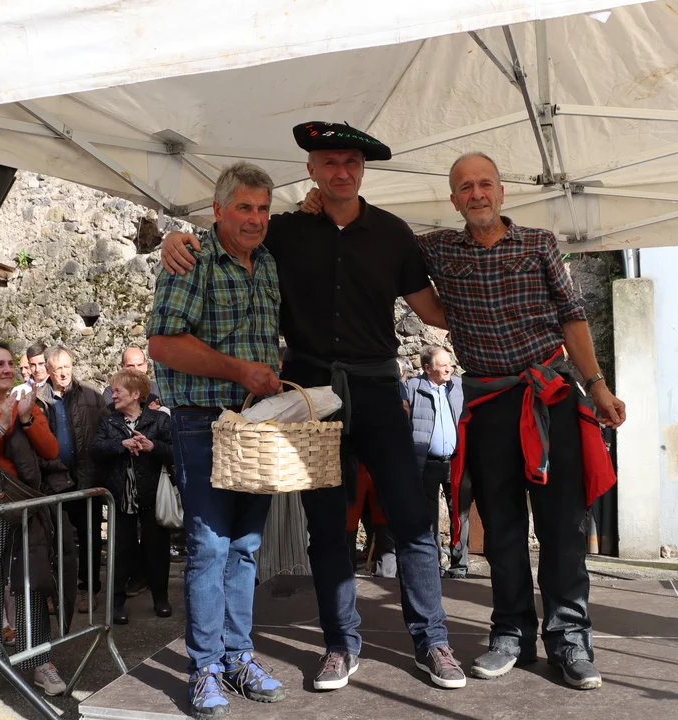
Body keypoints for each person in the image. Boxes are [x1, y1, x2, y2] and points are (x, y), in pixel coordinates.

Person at [160, 123, 466, 692]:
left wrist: (495, 305)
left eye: (350, 161)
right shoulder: (283, 231)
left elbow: (433, 311)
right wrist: (176, 238)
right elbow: (227, 232)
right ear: (311, 170)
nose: (340, 171)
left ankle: (433, 641)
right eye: (329, 162)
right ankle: (339, 644)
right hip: (309, 399)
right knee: (326, 527)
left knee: (412, 519)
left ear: (363, 169)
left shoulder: (393, 233)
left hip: (377, 390)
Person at [395, 152, 622, 689]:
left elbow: (572, 316)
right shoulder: (438, 248)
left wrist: (597, 386)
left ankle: (569, 639)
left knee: (562, 526)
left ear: (501, 192)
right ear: (454, 200)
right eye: (465, 187)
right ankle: (511, 635)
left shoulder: (538, 243)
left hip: (550, 397)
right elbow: (391, 256)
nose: (476, 193)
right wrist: (317, 204)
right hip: (489, 401)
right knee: (499, 528)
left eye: (485, 184)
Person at [149, 161, 286, 719]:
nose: (255, 219)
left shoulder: (269, 261)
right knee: (209, 547)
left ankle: (237, 657)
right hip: (203, 421)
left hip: (256, 424)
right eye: (244, 208)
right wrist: (241, 371)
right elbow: (162, 344)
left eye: (263, 209)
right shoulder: (192, 258)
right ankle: (204, 667)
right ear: (218, 210)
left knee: (246, 546)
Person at [0, 340, 67, 696]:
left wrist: (26, 418)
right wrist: (1, 427)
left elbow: (51, 450)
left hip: (24, 511)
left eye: (9, 363)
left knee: (31, 586)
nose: (7, 370)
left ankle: (39, 662)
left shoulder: (26, 405)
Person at [89, 369, 173, 623]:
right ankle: (116, 604)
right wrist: (121, 445)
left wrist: (152, 446)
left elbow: (176, 451)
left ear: (136, 394)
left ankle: (161, 599)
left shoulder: (159, 420)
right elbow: (95, 449)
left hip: (152, 496)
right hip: (120, 497)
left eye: (118, 391)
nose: (113, 395)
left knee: (156, 550)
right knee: (120, 552)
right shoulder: (110, 422)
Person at [34, 346, 107, 613]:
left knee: (90, 538)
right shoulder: (37, 399)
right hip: (53, 481)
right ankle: (55, 592)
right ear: (48, 370)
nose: (64, 373)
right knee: (54, 540)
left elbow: (106, 429)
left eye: (67, 367)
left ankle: (89, 589)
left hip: (87, 478)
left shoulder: (91, 395)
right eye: (58, 369)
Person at [405, 346, 466, 578]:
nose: (449, 368)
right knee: (429, 518)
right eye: (443, 365)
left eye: (450, 363)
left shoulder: (458, 385)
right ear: (428, 368)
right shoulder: (413, 387)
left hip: (455, 463)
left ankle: (459, 566)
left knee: (459, 514)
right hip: (426, 463)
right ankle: (434, 565)